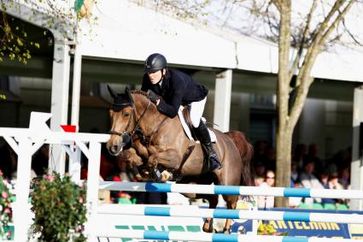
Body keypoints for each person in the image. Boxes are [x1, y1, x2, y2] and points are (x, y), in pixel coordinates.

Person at [141, 53, 221, 172]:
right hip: (174, 99)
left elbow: (172, 111)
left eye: (154, 72)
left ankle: (211, 154)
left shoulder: (176, 81)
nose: (150, 75)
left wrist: (159, 103)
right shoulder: (147, 79)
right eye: (149, 72)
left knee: (194, 120)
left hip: (194, 98)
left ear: (163, 71)